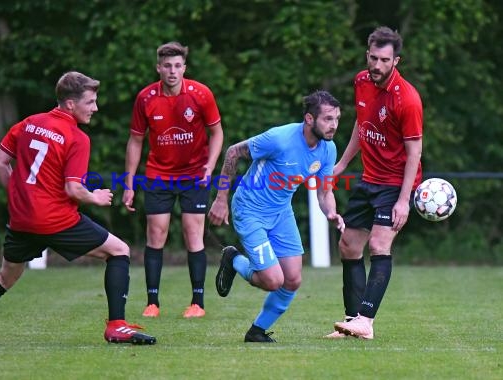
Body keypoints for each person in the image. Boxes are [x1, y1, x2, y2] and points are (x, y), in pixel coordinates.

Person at [0, 72, 156, 346]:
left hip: (21, 220)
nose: (95, 108)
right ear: (70, 104)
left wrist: (19, 196)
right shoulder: (77, 137)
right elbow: (73, 189)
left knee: (5, 277)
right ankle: (116, 326)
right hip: (56, 219)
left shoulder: (29, 123)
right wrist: (96, 197)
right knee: (119, 251)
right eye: (90, 102)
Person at [208, 90, 345, 342]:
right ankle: (234, 259)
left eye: (336, 119)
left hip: (281, 212)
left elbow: (325, 192)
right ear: (309, 119)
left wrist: (332, 213)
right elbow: (233, 153)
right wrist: (220, 199)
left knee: (292, 280)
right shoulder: (279, 139)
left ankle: (257, 331)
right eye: (327, 119)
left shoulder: (328, 149)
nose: (334, 125)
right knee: (273, 280)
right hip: (249, 209)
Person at [325, 26, 423, 340]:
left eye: (384, 60)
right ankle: (351, 320)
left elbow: (414, 152)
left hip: (395, 184)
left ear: (396, 61)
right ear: (367, 55)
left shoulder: (406, 99)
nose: (376, 65)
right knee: (348, 246)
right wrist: (341, 164)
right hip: (370, 179)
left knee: (379, 245)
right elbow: (362, 122)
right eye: (373, 57)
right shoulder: (361, 81)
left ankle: (365, 322)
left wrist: (403, 200)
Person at [123, 42, 224, 318]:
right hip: (158, 174)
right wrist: (129, 183)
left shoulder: (201, 94)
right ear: (158, 67)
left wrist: (210, 166)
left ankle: (197, 303)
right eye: (167, 65)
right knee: (156, 234)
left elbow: (217, 133)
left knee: (194, 236)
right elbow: (135, 140)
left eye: (177, 65)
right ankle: (152, 302)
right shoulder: (145, 98)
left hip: (194, 175)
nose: (172, 71)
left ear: (184, 68)